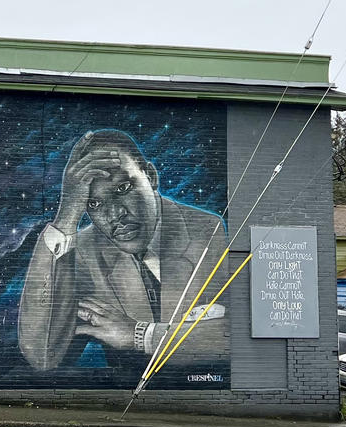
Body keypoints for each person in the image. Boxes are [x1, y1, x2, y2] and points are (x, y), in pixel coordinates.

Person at [18, 129, 228, 375]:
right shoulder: (83, 253)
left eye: (123, 188)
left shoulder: (206, 231)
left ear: (150, 176)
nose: (115, 215)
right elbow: (42, 355)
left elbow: (231, 335)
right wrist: (66, 216)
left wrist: (138, 334)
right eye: (93, 204)